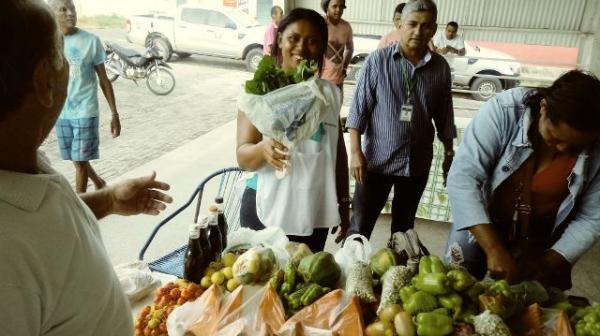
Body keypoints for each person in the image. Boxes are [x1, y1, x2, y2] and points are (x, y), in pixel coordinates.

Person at [0, 0, 173, 334]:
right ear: (43, 82)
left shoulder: (24, 161)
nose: (67, 65)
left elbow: (47, 231)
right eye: (61, 55)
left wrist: (108, 200)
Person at [445, 70, 600, 290]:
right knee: (455, 286)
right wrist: (493, 248)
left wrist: (546, 263)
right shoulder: (504, 111)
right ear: (544, 108)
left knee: (529, 303)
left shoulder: (595, 144)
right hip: (480, 220)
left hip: (540, 237)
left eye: (575, 147)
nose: (563, 149)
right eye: (555, 137)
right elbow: (463, 178)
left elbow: (592, 218)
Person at [236, 8, 350, 252]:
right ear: (279, 40)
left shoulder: (329, 94)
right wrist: (263, 149)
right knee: (260, 282)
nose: (302, 47)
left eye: (312, 41)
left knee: (304, 281)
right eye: (294, 38)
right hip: (264, 209)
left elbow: (338, 151)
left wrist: (344, 201)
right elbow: (243, 157)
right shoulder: (258, 92)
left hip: (313, 209)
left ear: (322, 48)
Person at [345, 0, 456, 239]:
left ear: (434, 29)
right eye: (412, 24)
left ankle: (396, 274)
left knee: (404, 231)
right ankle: (352, 269)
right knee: (359, 227)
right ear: (400, 25)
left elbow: (445, 116)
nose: (418, 31)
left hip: (417, 163)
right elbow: (358, 111)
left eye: (426, 26)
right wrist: (355, 153)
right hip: (376, 163)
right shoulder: (377, 61)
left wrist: (449, 154)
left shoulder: (440, 68)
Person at [49, 0, 121, 193]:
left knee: (80, 161)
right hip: (61, 112)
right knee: (76, 158)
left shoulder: (91, 41)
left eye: (72, 8)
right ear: (52, 13)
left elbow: (104, 80)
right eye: (63, 9)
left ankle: (80, 205)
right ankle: (99, 182)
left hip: (85, 110)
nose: (70, 13)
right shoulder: (49, 41)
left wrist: (114, 114)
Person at [320, 0, 354, 90]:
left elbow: (350, 48)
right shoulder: (320, 24)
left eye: (341, 6)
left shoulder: (346, 27)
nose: (338, 10)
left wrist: (345, 67)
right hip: (320, 80)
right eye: (334, 6)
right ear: (327, 7)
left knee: (337, 104)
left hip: (338, 81)